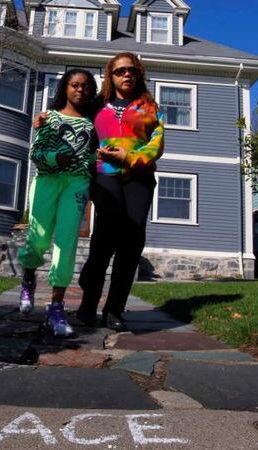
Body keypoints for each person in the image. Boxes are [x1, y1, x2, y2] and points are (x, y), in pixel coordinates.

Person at [76, 53, 164, 331]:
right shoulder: (96, 105)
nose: (126, 75)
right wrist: (45, 120)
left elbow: (156, 144)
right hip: (104, 175)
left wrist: (128, 156)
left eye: (132, 71)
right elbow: (72, 123)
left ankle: (114, 309)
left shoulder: (149, 107)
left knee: (132, 239)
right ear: (110, 76)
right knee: (105, 233)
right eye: (120, 71)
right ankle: (88, 302)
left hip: (139, 176)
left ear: (138, 75)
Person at [17, 69, 99, 337]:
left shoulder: (91, 122)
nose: (80, 90)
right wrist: (55, 158)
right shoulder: (48, 118)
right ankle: (28, 279)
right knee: (39, 238)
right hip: (47, 182)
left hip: (76, 184)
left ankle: (56, 309)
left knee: (66, 243)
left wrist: (89, 160)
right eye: (74, 85)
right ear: (65, 87)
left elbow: (90, 157)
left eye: (86, 86)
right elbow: (35, 153)